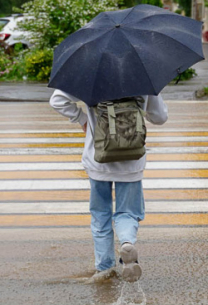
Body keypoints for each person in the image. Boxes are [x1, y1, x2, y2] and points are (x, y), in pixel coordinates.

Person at [50, 89, 168, 282]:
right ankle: (127, 243)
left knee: (100, 215)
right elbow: (160, 117)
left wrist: (82, 119)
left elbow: (57, 101)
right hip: (132, 161)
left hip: (98, 160)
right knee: (128, 212)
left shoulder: (90, 75)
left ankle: (104, 268)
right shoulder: (141, 75)